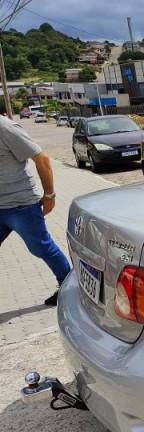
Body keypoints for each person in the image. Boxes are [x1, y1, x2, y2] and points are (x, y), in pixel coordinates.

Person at [0, 114, 71, 306]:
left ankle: (69, 287)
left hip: (21, 205)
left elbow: (43, 159)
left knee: (41, 247)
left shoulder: (6, 128)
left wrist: (49, 195)